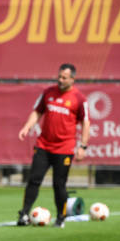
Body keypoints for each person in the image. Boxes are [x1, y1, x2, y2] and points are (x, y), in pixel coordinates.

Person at [16, 63, 90, 228]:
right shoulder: (48, 93)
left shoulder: (79, 98)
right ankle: (24, 214)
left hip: (64, 148)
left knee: (59, 184)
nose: (60, 80)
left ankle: (61, 217)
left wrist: (83, 146)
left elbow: (86, 122)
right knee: (34, 180)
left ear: (72, 79)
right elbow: (37, 111)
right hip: (43, 145)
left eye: (64, 78)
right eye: (59, 76)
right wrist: (27, 127)